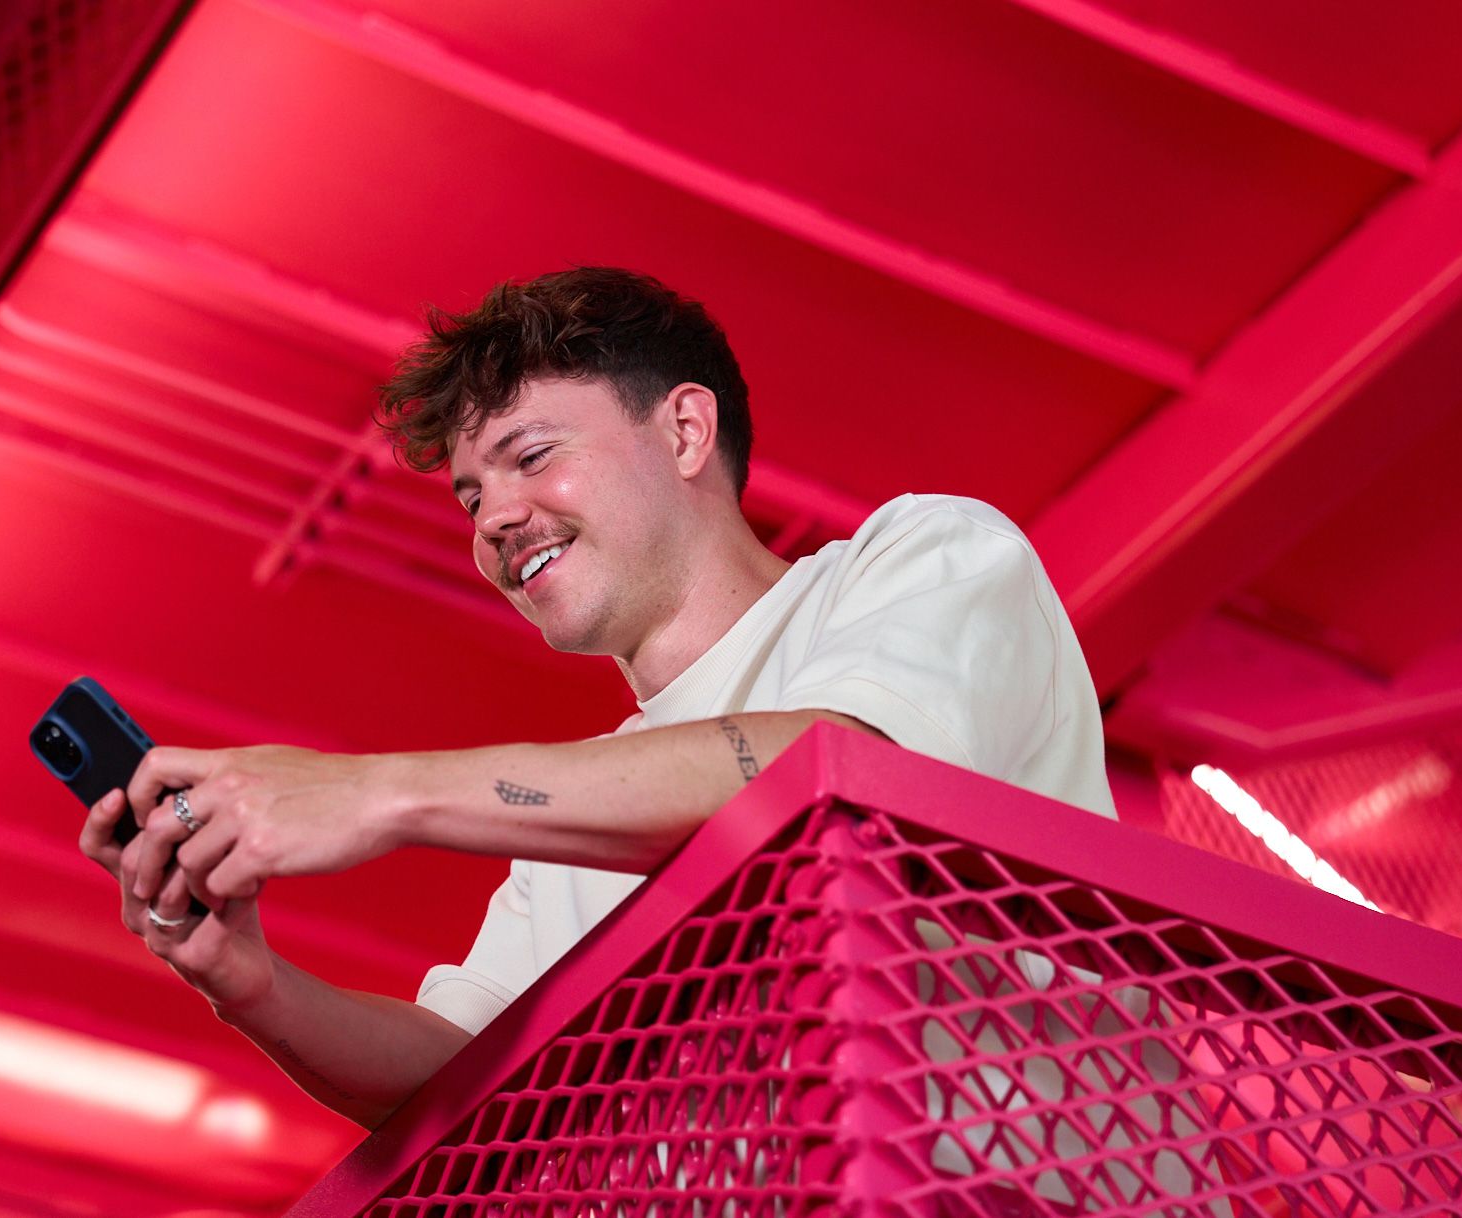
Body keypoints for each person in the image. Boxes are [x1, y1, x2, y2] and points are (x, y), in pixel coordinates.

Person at [78, 267, 1116, 1129]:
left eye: (531, 457)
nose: (496, 520)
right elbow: (456, 1083)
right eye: (473, 496)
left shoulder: (926, 557)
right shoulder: (564, 841)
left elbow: (836, 772)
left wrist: (379, 794)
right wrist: (247, 980)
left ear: (685, 431)